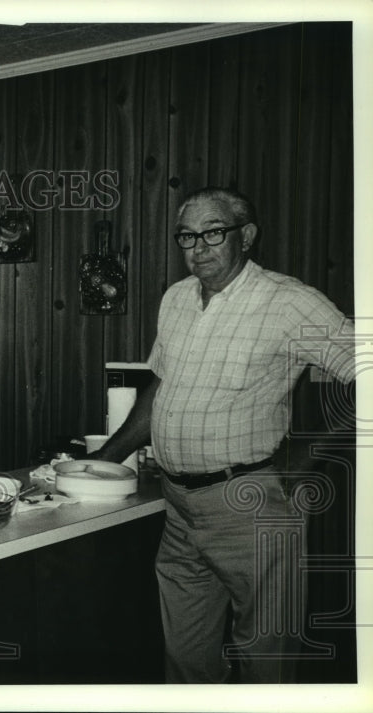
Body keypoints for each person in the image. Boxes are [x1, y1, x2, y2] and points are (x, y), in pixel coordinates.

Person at [92, 187, 355, 683]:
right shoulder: (176, 299)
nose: (199, 247)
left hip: (247, 503)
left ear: (246, 236)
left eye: (213, 232)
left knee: (265, 659)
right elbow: (161, 388)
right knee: (186, 656)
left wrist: (307, 454)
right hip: (178, 506)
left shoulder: (287, 301)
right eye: (187, 236)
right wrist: (102, 460)